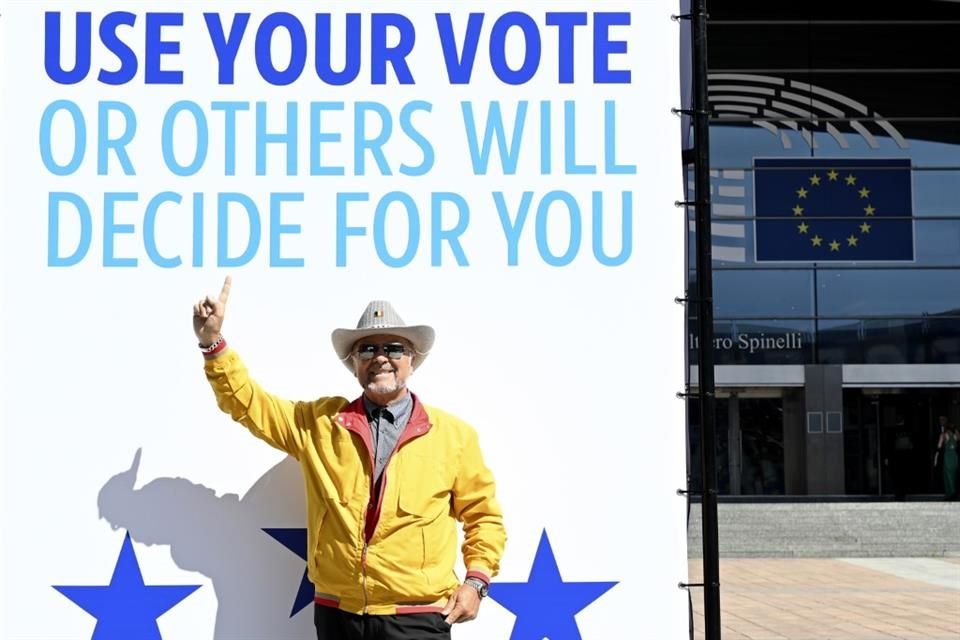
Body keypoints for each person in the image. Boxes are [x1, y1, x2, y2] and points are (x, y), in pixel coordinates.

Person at [192, 277, 506, 639]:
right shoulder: (318, 425)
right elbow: (248, 404)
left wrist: (477, 581)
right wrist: (212, 344)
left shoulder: (453, 436)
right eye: (368, 350)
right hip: (339, 618)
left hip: (418, 618)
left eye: (394, 348)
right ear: (354, 363)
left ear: (412, 361)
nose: (381, 357)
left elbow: (484, 516)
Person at [933, 415, 959, 500]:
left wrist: (935, 459)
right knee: (953, 474)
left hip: (948, 455)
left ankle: (951, 493)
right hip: (954, 455)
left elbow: (938, 447)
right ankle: (951, 493)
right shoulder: (956, 434)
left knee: (948, 475)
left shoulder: (943, 434)